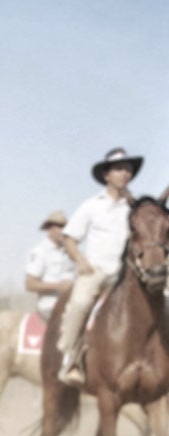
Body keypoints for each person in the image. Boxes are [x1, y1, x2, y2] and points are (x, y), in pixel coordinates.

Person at [56, 147, 143, 385]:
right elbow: (69, 239)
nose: (124, 173)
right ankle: (70, 359)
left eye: (128, 169)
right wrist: (82, 263)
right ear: (106, 174)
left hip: (128, 276)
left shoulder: (135, 208)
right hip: (97, 272)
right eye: (119, 168)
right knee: (80, 303)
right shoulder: (92, 206)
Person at [24, 210, 75, 320]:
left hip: (71, 305)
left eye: (65, 226)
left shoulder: (70, 252)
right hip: (50, 306)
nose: (64, 230)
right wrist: (58, 286)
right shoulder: (40, 251)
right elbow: (30, 284)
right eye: (59, 226)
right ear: (49, 228)